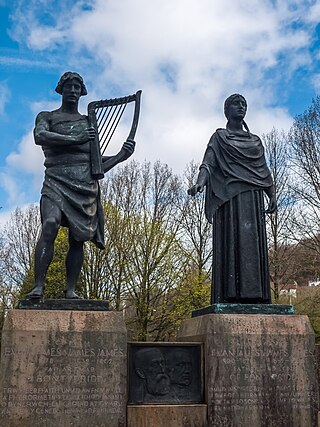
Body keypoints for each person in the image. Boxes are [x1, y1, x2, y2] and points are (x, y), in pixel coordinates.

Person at [27, 72, 135, 299]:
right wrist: (75, 139)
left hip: (85, 186)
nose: (74, 91)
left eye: (77, 87)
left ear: (82, 92)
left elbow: (96, 164)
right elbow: (40, 136)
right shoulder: (47, 117)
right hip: (56, 180)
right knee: (50, 224)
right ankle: (38, 286)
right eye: (70, 87)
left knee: (78, 238)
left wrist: (119, 157)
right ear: (61, 90)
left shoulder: (88, 123)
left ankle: (71, 290)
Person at [188, 94, 276, 304]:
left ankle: (257, 297)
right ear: (226, 110)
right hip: (230, 200)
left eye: (244, 104)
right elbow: (208, 163)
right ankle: (230, 296)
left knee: (252, 246)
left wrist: (271, 194)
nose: (241, 107)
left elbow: (263, 169)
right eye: (236, 104)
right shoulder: (219, 137)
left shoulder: (255, 140)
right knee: (232, 245)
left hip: (254, 200)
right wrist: (200, 182)